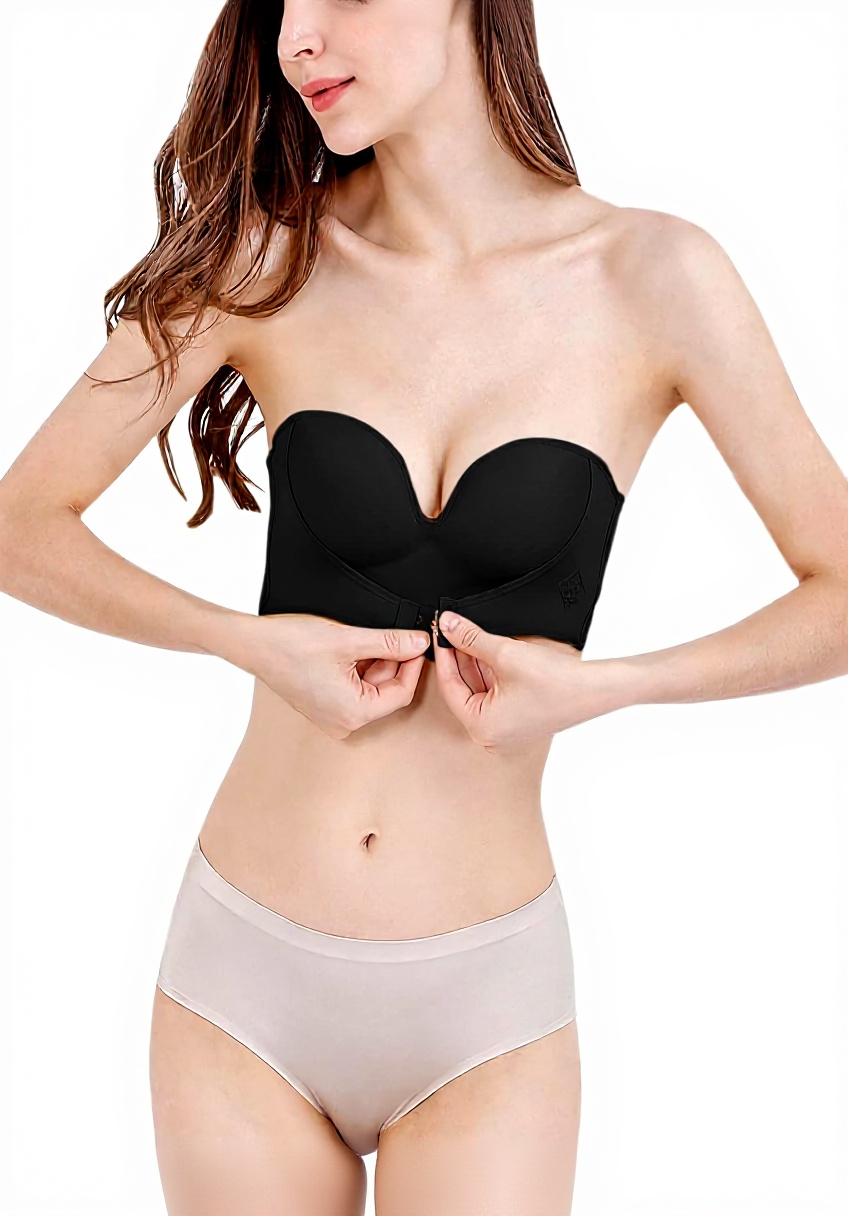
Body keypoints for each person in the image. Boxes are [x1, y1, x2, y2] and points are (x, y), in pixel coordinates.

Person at [2, 1, 847, 1213]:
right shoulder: (263, 259)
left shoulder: (652, 278)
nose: (298, 37)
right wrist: (247, 643)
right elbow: (20, 522)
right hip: (243, 979)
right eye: (282, 5)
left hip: (482, 1006)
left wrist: (606, 688)